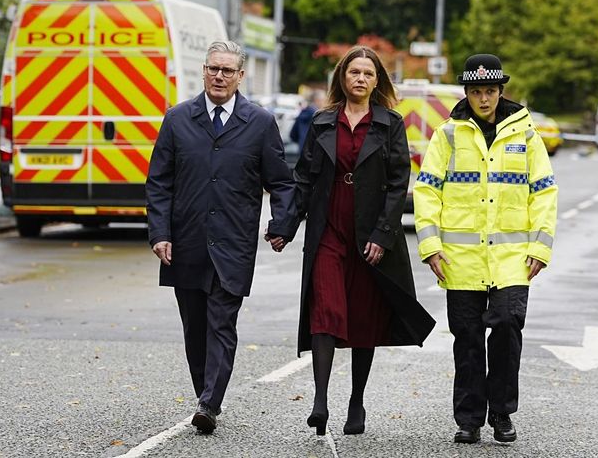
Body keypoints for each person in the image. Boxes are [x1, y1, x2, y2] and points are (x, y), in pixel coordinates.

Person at [280, 45, 435, 437]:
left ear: (376, 80)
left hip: (369, 231)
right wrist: (285, 224)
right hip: (329, 226)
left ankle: (356, 401)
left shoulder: (390, 123)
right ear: (342, 78)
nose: (361, 78)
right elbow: (303, 177)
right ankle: (320, 401)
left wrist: (383, 234)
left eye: (368, 73)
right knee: (326, 310)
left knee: (364, 318)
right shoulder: (321, 122)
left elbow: (400, 183)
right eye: (354, 72)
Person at [146, 40, 297, 435]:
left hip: (233, 244)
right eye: (214, 68)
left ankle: (210, 403)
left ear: (240, 76)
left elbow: (281, 182)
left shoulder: (259, 123)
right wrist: (160, 233)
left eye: (227, 71)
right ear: (204, 70)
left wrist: (282, 224)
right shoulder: (178, 119)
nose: (219, 76)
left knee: (222, 324)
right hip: (187, 242)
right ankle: (205, 395)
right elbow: (159, 182)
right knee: (194, 328)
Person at [413, 53, 558, 444]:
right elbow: (427, 190)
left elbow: (544, 193)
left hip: (512, 258)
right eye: (476, 91)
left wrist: (540, 249)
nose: (483, 98)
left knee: (508, 329)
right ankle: (470, 419)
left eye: (490, 91)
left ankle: (503, 414)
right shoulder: (447, 135)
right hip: (460, 259)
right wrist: (430, 246)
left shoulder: (526, 136)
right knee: (468, 337)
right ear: (467, 92)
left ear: (500, 92)